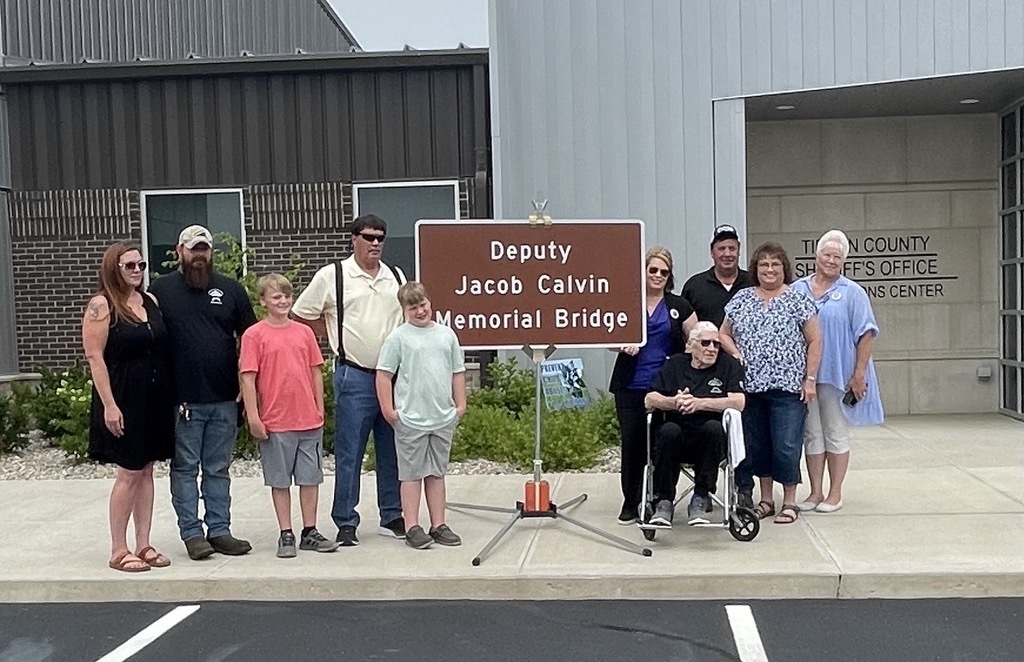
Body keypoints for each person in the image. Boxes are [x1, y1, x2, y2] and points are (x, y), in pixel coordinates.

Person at [292, 214, 407, 547]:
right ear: (353, 238)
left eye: (380, 238)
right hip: (353, 375)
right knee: (349, 452)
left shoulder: (395, 276)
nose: (375, 243)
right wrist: (330, 331)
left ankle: (392, 514)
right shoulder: (333, 276)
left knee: (391, 451)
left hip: (391, 377)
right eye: (368, 237)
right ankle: (345, 520)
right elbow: (301, 316)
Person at [149, 225, 257, 560]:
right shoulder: (160, 290)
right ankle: (193, 535)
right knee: (185, 469)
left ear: (211, 252)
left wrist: (247, 385)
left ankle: (220, 531)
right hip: (181, 400)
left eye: (204, 249)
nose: (199, 255)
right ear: (180, 251)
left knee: (218, 469)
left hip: (225, 398)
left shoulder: (231, 290)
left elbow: (251, 341)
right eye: (193, 249)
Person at [84, 243, 175, 572]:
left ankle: (144, 543)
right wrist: (109, 404)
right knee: (129, 471)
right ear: (114, 269)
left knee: (147, 469)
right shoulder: (102, 305)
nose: (137, 271)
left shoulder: (149, 301)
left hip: (155, 398)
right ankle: (118, 549)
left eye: (141, 265)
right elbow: (95, 357)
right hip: (122, 398)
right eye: (129, 266)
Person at [720, 241, 821, 526]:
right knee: (759, 446)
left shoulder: (798, 298)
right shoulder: (742, 298)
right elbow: (723, 333)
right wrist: (736, 352)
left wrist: (810, 379)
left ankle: (789, 501)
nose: (769, 269)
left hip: (788, 387)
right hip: (751, 388)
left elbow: (815, 340)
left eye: (775, 264)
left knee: (787, 445)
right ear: (756, 269)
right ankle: (766, 500)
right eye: (764, 264)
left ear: (784, 268)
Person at [240, 274, 340, 557]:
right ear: (263, 302)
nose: (283, 301)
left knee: (310, 478)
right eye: (276, 297)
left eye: (286, 296)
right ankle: (286, 532)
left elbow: (315, 371)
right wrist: (254, 416)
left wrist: (319, 407)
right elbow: (248, 378)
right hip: (275, 420)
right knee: (280, 480)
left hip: (308, 419)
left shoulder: (304, 333)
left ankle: (310, 530)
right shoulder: (254, 335)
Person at [792, 230, 883, 513]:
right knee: (812, 433)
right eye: (826, 255)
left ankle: (835, 493)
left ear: (843, 261)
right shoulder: (797, 289)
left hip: (837, 374)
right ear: (816, 256)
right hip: (805, 375)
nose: (831, 260)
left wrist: (859, 374)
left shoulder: (853, 292)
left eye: (837, 257)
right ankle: (815, 492)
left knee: (835, 431)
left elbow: (866, 334)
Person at [608, 247, 697, 525]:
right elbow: (607, 336)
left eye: (663, 271)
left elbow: (699, 337)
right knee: (633, 445)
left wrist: (683, 357)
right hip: (631, 386)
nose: (658, 275)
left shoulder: (678, 305)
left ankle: (661, 499)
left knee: (663, 444)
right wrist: (621, 345)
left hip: (665, 388)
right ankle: (631, 501)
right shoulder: (627, 303)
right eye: (653, 270)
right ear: (643, 272)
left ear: (669, 276)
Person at [375, 282, 467, 550]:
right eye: (413, 307)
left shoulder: (446, 335)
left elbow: (457, 371)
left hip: (441, 416)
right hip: (411, 418)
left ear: (430, 302)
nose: (419, 311)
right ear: (404, 310)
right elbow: (384, 375)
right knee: (411, 474)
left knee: (436, 473)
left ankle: (438, 524)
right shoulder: (398, 338)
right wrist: (389, 410)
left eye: (422, 304)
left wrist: (460, 405)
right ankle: (412, 525)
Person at [644, 322, 745, 527]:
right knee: (668, 431)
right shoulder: (675, 364)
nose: (712, 349)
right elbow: (649, 398)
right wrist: (674, 402)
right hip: (677, 435)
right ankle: (664, 501)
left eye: (716, 344)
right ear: (690, 345)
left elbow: (739, 402)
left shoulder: (727, 366)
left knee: (713, 429)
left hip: (710, 440)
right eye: (705, 343)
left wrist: (699, 403)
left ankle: (700, 497)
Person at [682, 224, 755, 327]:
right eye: (721, 249)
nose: (727, 254)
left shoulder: (753, 284)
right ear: (712, 252)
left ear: (739, 251)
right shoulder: (694, 287)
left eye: (732, 248)